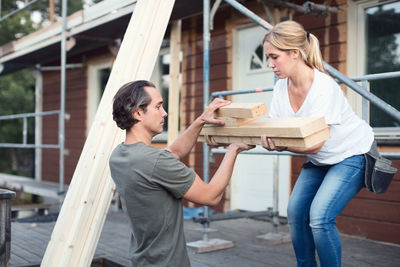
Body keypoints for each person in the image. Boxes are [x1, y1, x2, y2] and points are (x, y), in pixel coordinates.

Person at [261, 21, 374, 267]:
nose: (270, 64)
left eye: (274, 57)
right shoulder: (281, 87)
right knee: (295, 213)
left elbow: (315, 144)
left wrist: (278, 144)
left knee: (320, 218)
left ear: (294, 53)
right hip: (321, 159)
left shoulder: (324, 87)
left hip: (351, 155)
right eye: (268, 57)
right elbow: (273, 126)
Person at [109, 80, 254, 267]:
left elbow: (174, 152)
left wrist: (201, 120)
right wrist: (233, 149)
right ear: (138, 113)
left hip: (143, 261)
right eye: (158, 107)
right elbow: (211, 196)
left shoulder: (119, 155)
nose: (164, 113)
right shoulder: (154, 161)